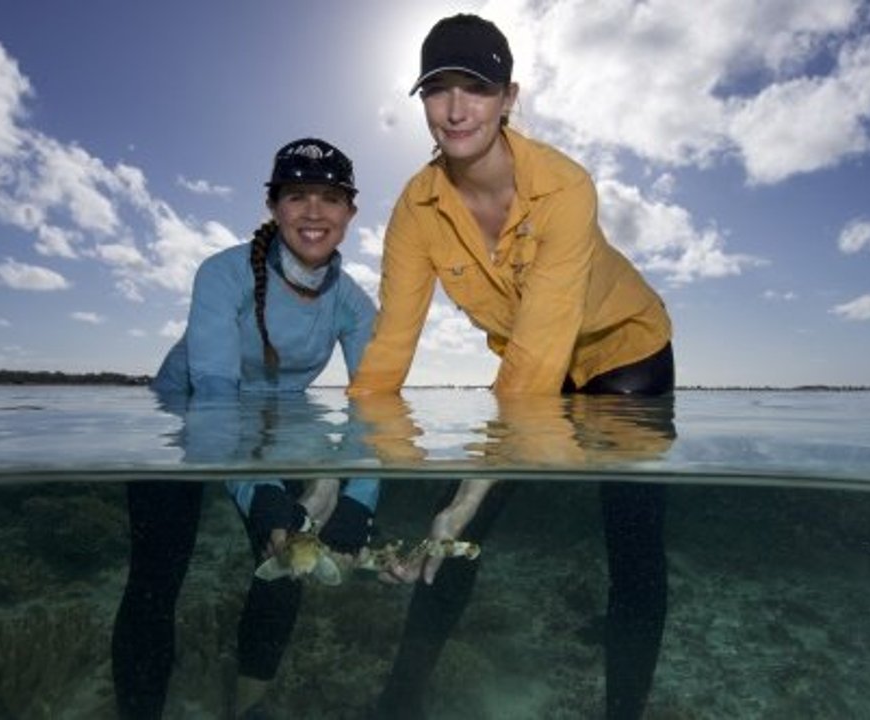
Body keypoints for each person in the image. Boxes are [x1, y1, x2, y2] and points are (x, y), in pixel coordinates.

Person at [347, 14, 676, 720]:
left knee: (634, 548)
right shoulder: (415, 206)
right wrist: (333, 468)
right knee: (452, 536)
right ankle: (396, 703)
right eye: (439, 91)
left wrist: (464, 495)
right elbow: (386, 357)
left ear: (509, 97)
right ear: (422, 101)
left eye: (478, 88)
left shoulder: (566, 187)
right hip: (537, 368)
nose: (457, 109)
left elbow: (531, 368)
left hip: (627, 355)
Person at [111, 137, 380, 719]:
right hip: (182, 417)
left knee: (286, 564)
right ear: (272, 205)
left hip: (271, 422)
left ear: (351, 214)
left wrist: (361, 496)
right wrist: (258, 494)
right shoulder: (222, 274)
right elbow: (214, 401)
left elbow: (373, 408)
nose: (314, 212)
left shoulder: (357, 306)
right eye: (296, 195)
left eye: (331, 198)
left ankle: (249, 707)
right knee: (157, 580)